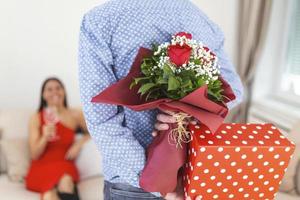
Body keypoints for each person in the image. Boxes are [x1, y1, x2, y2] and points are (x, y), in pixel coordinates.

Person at [78, 0, 244, 199]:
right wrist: (193, 111)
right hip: (192, 176)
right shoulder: (200, 19)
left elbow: (101, 116)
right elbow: (233, 90)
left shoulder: (100, 21)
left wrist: (156, 179)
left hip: (133, 184)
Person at [25, 77, 91, 200]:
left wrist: (79, 143)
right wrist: (44, 137)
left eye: (58, 88)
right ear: (43, 95)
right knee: (50, 194)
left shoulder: (75, 115)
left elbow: (94, 132)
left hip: (65, 165)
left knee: (65, 181)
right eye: (49, 89)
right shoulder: (36, 117)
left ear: (64, 91)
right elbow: (34, 155)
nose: (54, 92)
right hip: (41, 167)